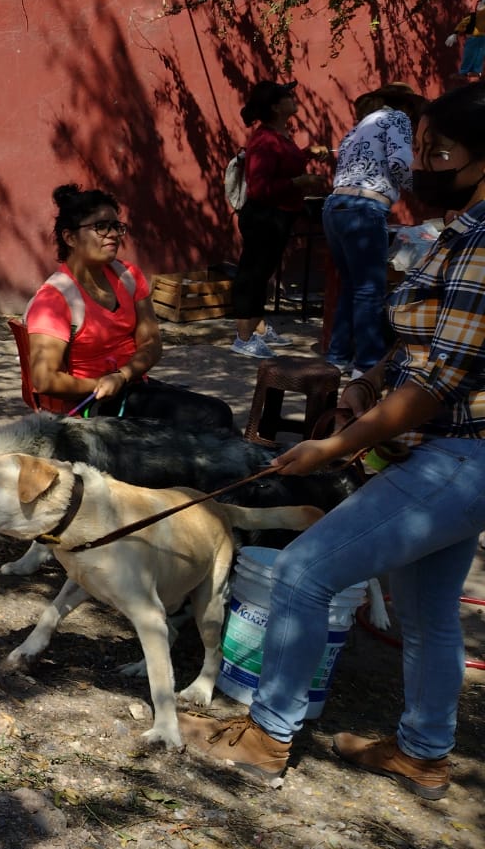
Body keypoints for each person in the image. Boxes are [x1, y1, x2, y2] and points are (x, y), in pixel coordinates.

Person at [181, 81, 485, 798]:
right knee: (428, 610)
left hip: (457, 457)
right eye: (421, 149)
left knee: (304, 571)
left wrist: (338, 444)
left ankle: (267, 734)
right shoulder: (460, 231)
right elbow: (422, 344)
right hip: (444, 452)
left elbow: (439, 382)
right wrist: (371, 377)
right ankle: (424, 751)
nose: (422, 165)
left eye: (438, 150)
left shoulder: (484, 240)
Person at [24, 183, 235, 431]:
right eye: (101, 227)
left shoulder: (128, 275)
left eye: (116, 226)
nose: (113, 234)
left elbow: (151, 343)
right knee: (214, 417)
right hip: (92, 404)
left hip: (130, 386)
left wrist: (122, 375)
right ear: (69, 237)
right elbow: (44, 379)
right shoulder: (54, 299)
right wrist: (99, 384)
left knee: (221, 422)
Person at [321, 83, 426, 375]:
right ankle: (366, 365)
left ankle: (337, 357)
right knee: (369, 290)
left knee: (351, 286)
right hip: (364, 209)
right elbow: (400, 162)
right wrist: (426, 189)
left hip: (335, 208)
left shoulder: (358, 127)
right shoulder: (397, 119)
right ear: (406, 106)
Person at [229, 79, 331, 359]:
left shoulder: (280, 135)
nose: (294, 98)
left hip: (280, 215)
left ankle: (258, 327)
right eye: (288, 96)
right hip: (264, 216)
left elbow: (284, 164)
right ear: (275, 106)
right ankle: (243, 336)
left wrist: (307, 154)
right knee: (252, 273)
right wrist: (299, 182)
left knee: (263, 273)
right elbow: (259, 188)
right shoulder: (264, 141)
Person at [445, 0, 485, 82]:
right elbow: (463, 24)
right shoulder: (472, 17)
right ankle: (465, 72)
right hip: (472, 38)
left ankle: (476, 71)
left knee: (479, 55)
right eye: (480, 3)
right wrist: (455, 33)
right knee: (469, 54)